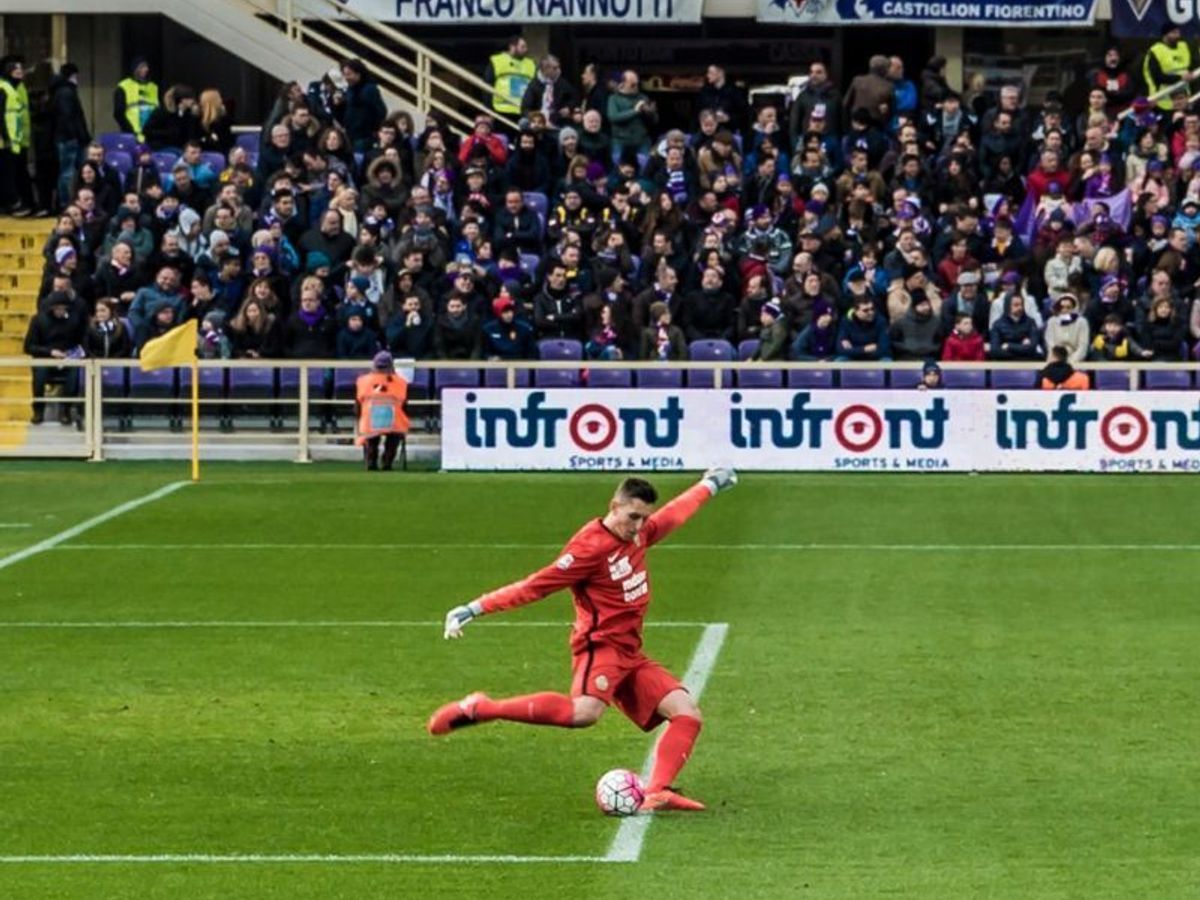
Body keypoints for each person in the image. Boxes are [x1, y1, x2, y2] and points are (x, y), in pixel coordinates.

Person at [427, 469, 739, 813]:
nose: (639, 526)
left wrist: (709, 484)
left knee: (687, 714)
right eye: (633, 516)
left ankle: (657, 792)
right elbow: (536, 585)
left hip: (630, 651)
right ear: (614, 506)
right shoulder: (589, 549)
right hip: (600, 646)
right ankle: (483, 707)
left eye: (644, 518)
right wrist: (475, 607)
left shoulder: (638, 535)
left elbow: (674, 514)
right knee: (584, 713)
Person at [23, 290, 87, 425]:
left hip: (68, 358)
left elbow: (81, 341)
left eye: (63, 308)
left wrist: (73, 353)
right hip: (45, 357)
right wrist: (50, 352)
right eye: (57, 308)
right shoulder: (38, 320)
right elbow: (29, 346)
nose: (60, 311)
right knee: (40, 373)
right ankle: (38, 410)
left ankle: (66, 410)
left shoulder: (74, 320)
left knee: (74, 372)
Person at [355, 350, 409, 471]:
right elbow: (405, 405)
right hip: (394, 422)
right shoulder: (401, 382)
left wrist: (359, 419)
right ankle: (387, 462)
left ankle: (371, 461)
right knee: (394, 437)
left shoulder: (363, 381)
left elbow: (358, 404)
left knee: (372, 438)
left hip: (370, 422)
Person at [50, 62, 91, 209]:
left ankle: (72, 201)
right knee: (67, 173)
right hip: (69, 139)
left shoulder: (62, 91)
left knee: (71, 171)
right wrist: (76, 136)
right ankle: (66, 203)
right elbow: (68, 117)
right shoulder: (66, 92)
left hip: (68, 138)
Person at [0, 58, 34, 216]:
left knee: (14, 174)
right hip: (6, 141)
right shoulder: (5, 88)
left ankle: (16, 203)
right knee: (9, 175)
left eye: (21, 71)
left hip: (15, 141)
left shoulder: (15, 88)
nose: (20, 74)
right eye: (16, 71)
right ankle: (12, 203)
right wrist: (6, 136)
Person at [1143, 22, 1195, 112]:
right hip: (1164, 101)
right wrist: (1180, 77)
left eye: (1178, 32)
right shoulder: (1155, 51)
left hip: (1184, 99)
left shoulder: (1184, 46)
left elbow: (1192, 66)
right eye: (1174, 33)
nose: (1178, 35)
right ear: (1165, 34)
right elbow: (1157, 77)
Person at [484, 35, 535, 118]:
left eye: (526, 47)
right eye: (522, 47)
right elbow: (487, 86)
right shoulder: (497, 61)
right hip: (500, 109)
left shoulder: (531, 64)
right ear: (512, 47)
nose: (526, 50)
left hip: (522, 111)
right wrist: (488, 109)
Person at [113, 57, 159, 142]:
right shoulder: (124, 86)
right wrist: (130, 132)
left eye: (146, 67)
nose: (146, 69)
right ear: (135, 69)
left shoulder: (153, 87)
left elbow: (157, 111)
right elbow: (118, 114)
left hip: (151, 136)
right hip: (131, 134)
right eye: (142, 67)